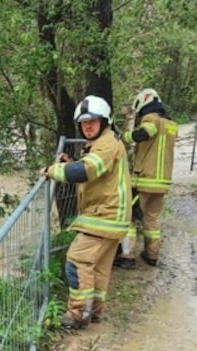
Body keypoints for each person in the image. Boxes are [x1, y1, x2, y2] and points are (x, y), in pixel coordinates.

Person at [40, 95, 132, 328]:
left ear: (105, 121)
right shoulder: (103, 144)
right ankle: (94, 311)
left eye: (93, 121)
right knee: (98, 268)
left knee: (77, 260)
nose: (87, 126)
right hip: (113, 217)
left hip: (104, 217)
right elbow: (94, 172)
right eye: (83, 122)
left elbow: (87, 171)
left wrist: (53, 170)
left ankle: (78, 314)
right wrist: (71, 162)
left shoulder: (107, 144)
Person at [115, 88, 177, 267]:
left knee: (130, 218)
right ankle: (151, 255)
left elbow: (145, 133)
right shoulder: (171, 124)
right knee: (152, 217)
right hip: (163, 182)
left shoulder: (151, 119)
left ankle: (127, 257)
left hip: (144, 180)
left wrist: (123, 137)